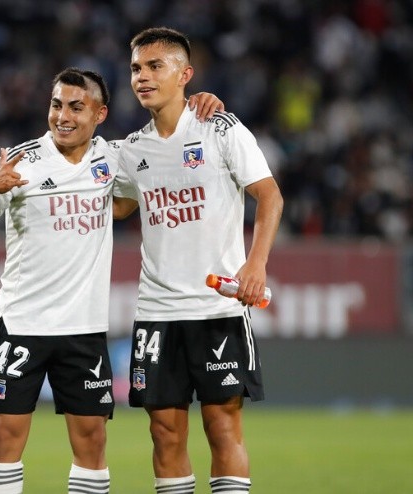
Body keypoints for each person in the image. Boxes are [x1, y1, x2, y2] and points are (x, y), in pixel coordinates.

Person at [0, 67, 224, 494]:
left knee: (92, 442)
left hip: (84, 330)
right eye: (56, 105)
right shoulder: (21, 160)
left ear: (99, 114)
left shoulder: (113, 157)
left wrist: (198, 108)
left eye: (76, 108)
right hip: (23, 325)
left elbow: (158, 161)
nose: (63, 116)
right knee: (6, 437)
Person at [112, 27, 284, 494]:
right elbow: (118, 206)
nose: (142, 77)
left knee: (222, 426)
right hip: (156, 312)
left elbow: (269, 196)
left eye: (155, 66)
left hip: (215, 309)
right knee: (164, 432)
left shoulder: (220, 128)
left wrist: (256, 263)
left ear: (185, 74)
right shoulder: (132, 150)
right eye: (136, 68)